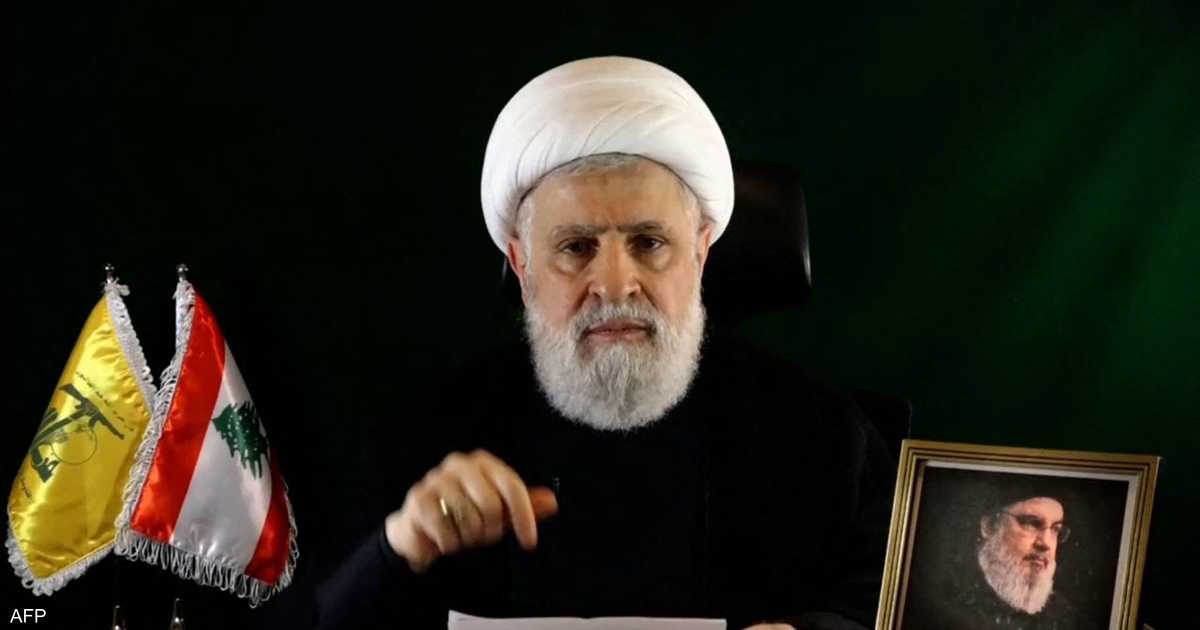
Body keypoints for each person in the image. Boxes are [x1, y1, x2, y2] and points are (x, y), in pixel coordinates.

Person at [312, 56, 894, 630]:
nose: (615, 286)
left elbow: (894, 605)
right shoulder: (430, 439)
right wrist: (402, 547)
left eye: (648, 243)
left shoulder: (819, 436)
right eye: (576, 247)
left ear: (700, 251)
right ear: (522, 263)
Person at [904, 486, 1097, 630]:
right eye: (1031, 523)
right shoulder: (935, 606)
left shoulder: (1071, 622)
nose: (1046, 543)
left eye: (1055, 530)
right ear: (989, 526)